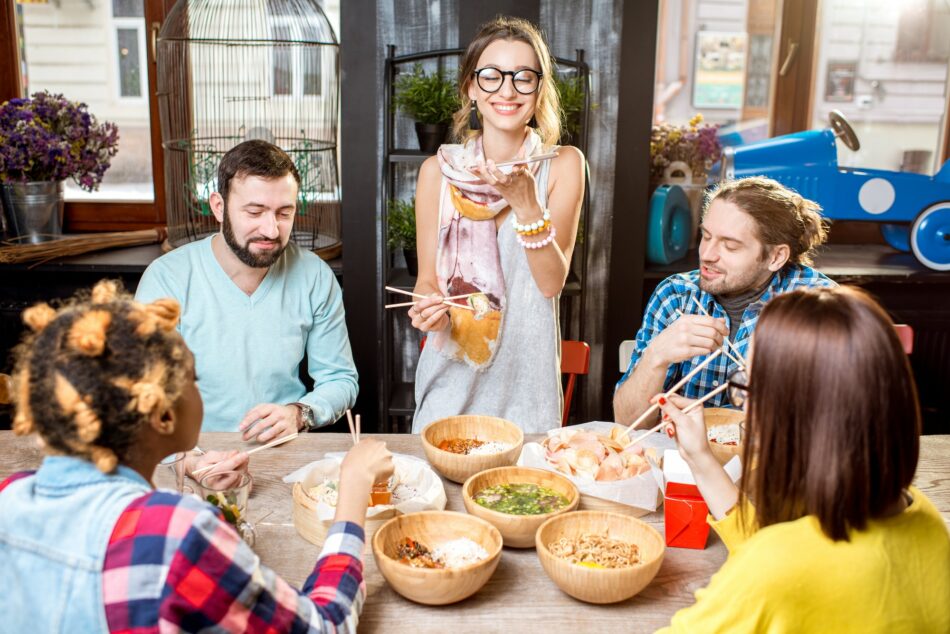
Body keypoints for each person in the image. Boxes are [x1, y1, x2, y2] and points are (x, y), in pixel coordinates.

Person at [0, 281, 394, 633]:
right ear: (165, 414)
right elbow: (325, 625)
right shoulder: (178, 535)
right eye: (194, 379)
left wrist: (188, 476)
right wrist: (354, 488)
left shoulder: (9, 495)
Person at [654, 286, 949, 633]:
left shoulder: (774, 570)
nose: (744, 404)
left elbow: (781, 565)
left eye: (747, 386)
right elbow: (795, 555)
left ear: (793, 416)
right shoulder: (926, 520)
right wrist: (700, 458)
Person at [409, 16, 586, 433]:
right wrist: (428, 311)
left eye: (523, 77)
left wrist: (526, 205)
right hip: (447, 391)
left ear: (538, 90)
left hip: (526, 397)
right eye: (491, 76)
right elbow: (426, 284)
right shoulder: (437, 173)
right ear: (471, 87)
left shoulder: (564, 165)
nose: (506, 90)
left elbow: (550, 284)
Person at [136, 140, 358, 443]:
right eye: (255, 212)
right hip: (190, 450)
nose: (271, 230)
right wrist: (186, 459)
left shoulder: (314, 275)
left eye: (284, 213)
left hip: (283, 449)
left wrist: (299, 413)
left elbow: (341, 380)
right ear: (218, 206)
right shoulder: (167, 279)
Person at [614, 176, 835, 425]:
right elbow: (628, 425)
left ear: (776, 256)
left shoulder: (817, 306)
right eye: (706, 236)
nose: (707, 255)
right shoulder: (676, 295)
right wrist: (656, 356)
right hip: (677, 460)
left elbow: (830, 431)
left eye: (730, 246)